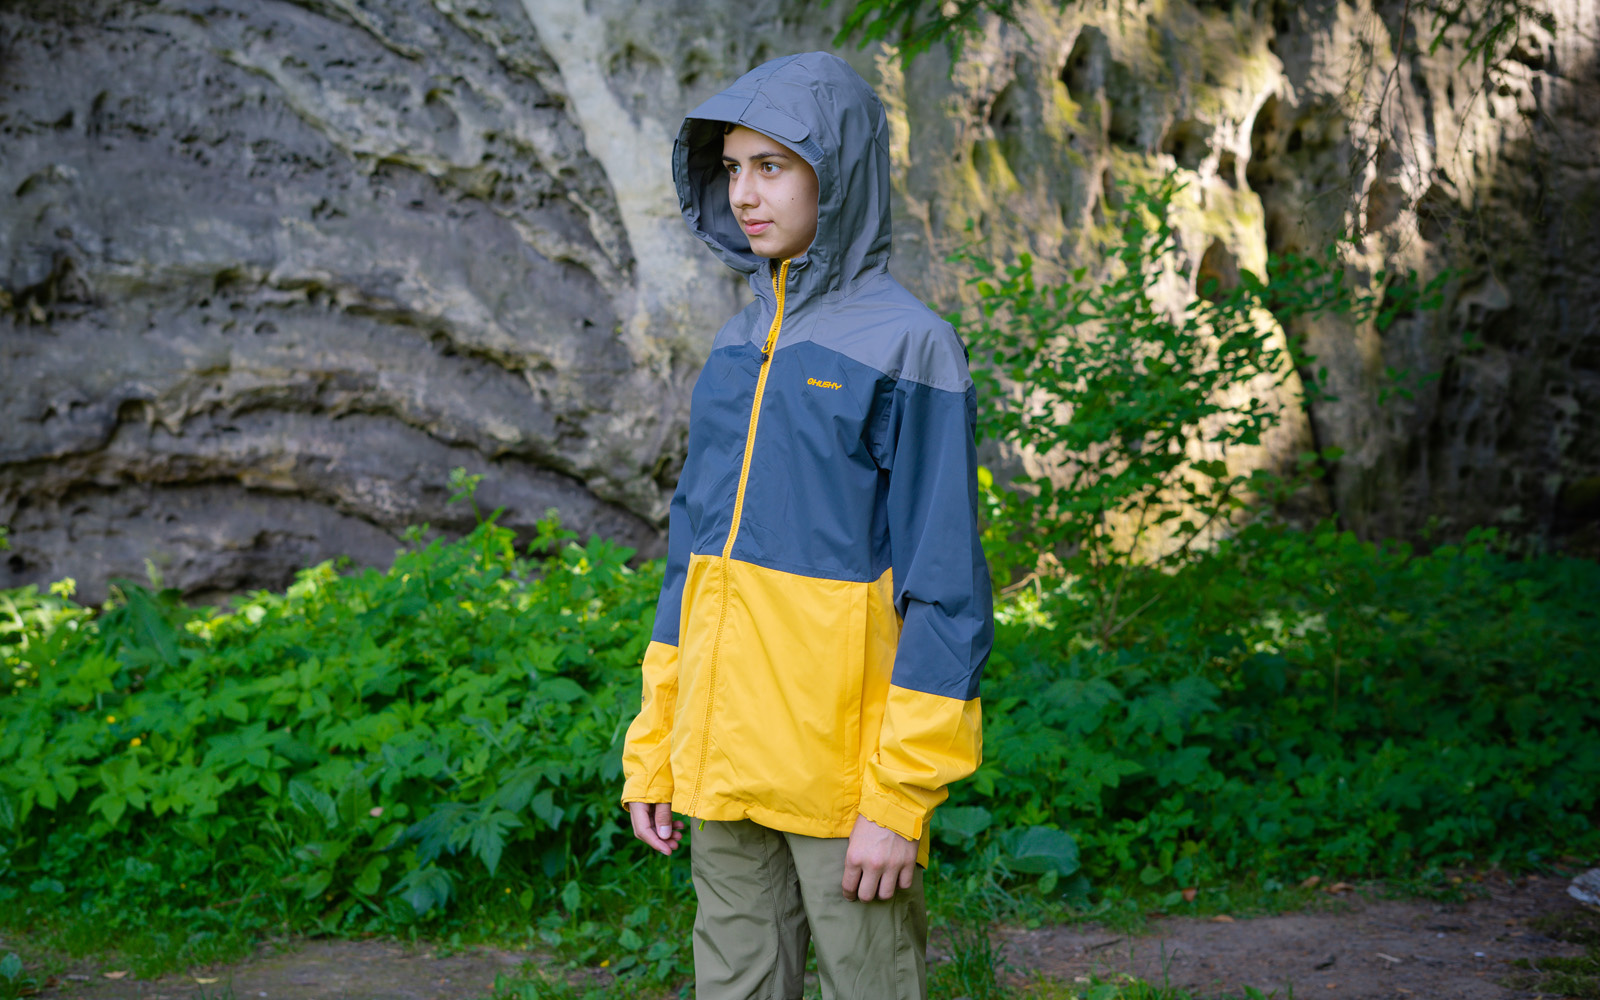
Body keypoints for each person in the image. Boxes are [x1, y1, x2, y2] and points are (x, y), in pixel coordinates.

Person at [620, 51, 992, 1000]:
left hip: (842, 783)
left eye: (772, 166)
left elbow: (945, 586)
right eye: (732, 169)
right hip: (721, 764)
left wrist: (898, 798)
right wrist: (657, 746)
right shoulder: (736, 344)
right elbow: (692, 566)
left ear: (840, 172)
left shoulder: (911, 346)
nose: (745, 194)